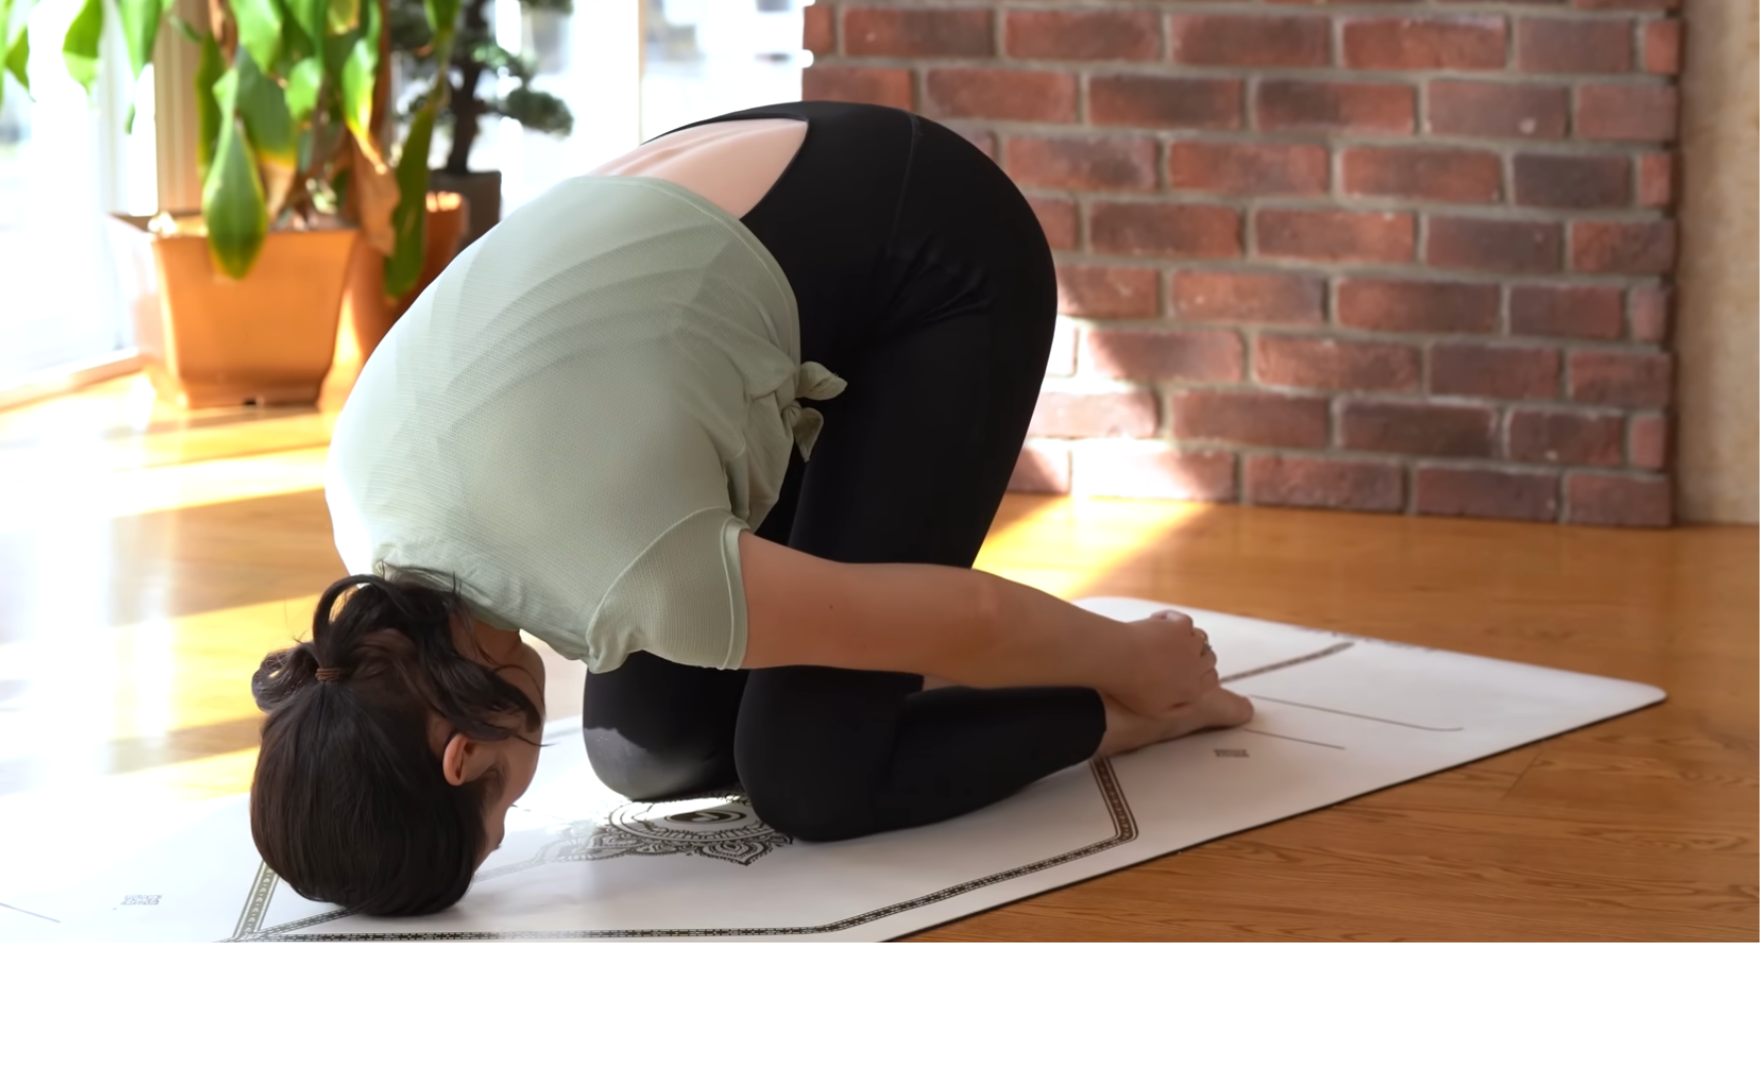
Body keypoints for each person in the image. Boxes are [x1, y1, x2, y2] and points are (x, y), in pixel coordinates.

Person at [249, 101, 1254, 917]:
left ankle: (1137, 715)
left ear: (462, 756)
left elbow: (973, 615)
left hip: (936, 257)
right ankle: (875, 680)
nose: (516, 805)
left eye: (500, 809)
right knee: (644, 753)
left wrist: (1136, 660)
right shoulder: (363, 508)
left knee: (812, 781)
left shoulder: (623, 572)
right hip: (763, 162)